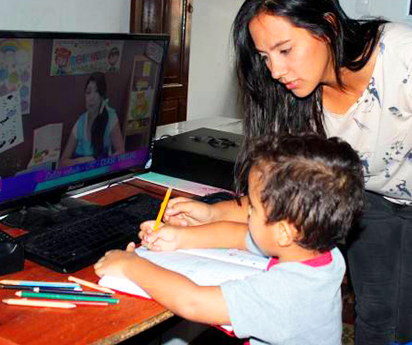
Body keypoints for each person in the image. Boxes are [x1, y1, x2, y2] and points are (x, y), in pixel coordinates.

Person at [161, 0, 412, 344]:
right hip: (365, 199)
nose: (275, 71)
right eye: (265, 57)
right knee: (374, 313)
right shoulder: (293, 98)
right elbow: (282, 195)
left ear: (328, 27)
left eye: (285, 50)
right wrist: (213, 212)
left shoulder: (409, 57)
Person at [94, 134, 365, 345]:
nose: (246, 213)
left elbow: (193, 302)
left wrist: (131, 264)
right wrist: (180, 238)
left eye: (253, 208)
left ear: (283, 232)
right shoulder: (323, 251)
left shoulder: (285, 294)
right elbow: (240, 236)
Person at [60, 72, 124, 167]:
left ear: (102, 96)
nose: (91, 98)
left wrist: (105, 163)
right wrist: (81, 161)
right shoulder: (80, 123)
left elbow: (121, 151)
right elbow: (63, 162)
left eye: (96, 92)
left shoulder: (111, 117)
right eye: (88, 92)